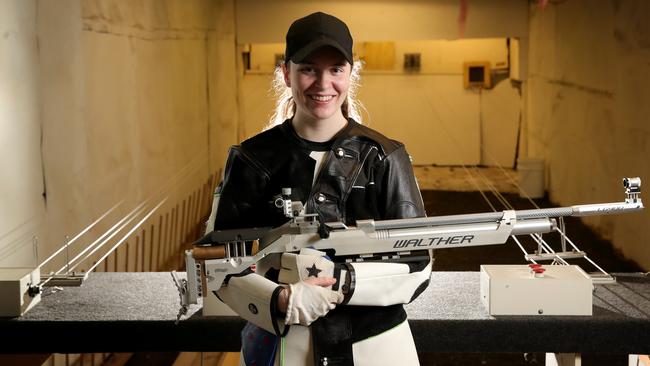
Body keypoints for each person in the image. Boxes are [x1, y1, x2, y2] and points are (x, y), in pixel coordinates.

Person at [206, 11, 432, 366]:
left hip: (377, 345)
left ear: (351, 74)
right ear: (286, 74)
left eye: (336, 70)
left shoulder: (386, 157)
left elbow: (419, 265)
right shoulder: (252, 159)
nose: (323, 84)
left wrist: (344, 281)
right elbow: (216, 261)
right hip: (281, 340)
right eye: (309, 68)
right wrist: (281, 298)